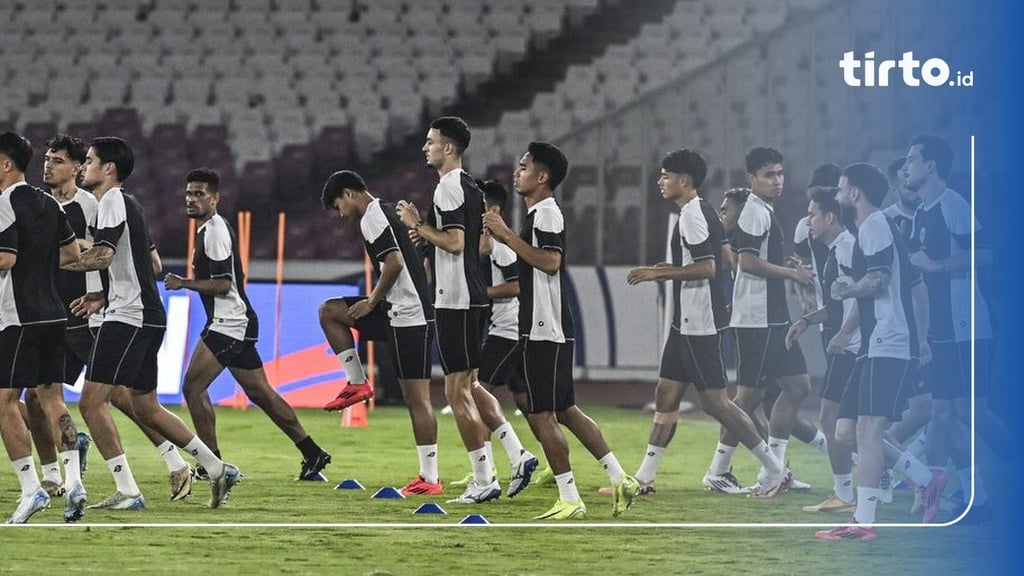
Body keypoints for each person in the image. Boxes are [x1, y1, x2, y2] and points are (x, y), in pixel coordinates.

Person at [65, 137, 240, 510]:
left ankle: (128, 490)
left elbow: (102, 256)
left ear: (109, 168)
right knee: (145, 407)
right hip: (143, 313)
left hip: (130, 316)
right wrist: (100, 295)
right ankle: (216, 466)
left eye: (90, 161)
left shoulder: (112, 200)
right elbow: (143, 263)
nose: (84, 167)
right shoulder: (121, 204)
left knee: (92, 401)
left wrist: (54, 261)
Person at [483, 141, 639, 520]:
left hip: (543, 328)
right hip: (545, 326)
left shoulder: (547, 214)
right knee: (566, 411)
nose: (517, 172)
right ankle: (621, 478)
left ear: (542, 176)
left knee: (541, 415)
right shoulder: (537, 214)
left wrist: (505, 236)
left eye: (524, 166)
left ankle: (570, 497)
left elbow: (550, 263)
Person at [622, 149, 784, 496]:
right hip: (686, 323)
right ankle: (644, 479)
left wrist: (660, 273)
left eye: (666, 175)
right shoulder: (701, 210)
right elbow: (722, 257)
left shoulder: (693, 215)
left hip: (700, 323)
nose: (660, 181)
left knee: (717, 404)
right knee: (666, 394)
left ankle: (774, 468)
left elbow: (709, 267)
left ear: (684, 181)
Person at [164, 168, 331, 482]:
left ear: (215, 198)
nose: (191, 199)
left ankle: (212, 465)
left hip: (230, 321)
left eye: (199, 194)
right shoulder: (210, 228)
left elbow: (224, 284)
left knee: (192, 387)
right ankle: (312, 452)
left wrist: (184, 282)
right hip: (234, 320)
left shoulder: (213, 231)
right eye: (189, 193)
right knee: (262, 394)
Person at [815, 163, 933, 540]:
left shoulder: (874, 225)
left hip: (887, 340)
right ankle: (926, 478)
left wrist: (847, 289)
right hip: (877, 341)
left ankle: (863, 521)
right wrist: (923, 339)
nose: (835, 196)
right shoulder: (877, 226)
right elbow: (915, 286)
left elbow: (880, 280)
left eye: (839, 189)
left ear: (854, 193)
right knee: (846, 430)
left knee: (867, 429)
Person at [395, 117, 503, 504]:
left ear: (449, 149)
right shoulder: (470, 186)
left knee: (457, 393)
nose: (426, 147)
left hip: (455, 300)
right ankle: (501, 465)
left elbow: (455, 243)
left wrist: (418, 225)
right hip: (471, 296)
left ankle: (484, 479)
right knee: (468, 388)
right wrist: (425, 232)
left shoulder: (448, 187)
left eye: (431, 142)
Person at [318, 170, 442, 496]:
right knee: (330, 311)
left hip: (408, 317)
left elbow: (395, 262)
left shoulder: (372, 217)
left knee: (418, 399)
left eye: (338, 206)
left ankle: (429, 479)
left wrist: (372, 301)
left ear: (349, 193)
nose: (341, 215)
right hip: (399, 311)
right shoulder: (385, 211)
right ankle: (356, 383)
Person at [704, 147, 814, 496]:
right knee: (747, 398)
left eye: (780, 173)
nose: (777, 180)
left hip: (773, 318)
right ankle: (718, 471)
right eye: (769, 174)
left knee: (798, 387)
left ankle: (776, 471)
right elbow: (747, 262)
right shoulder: (753, 211)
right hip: (757, 319)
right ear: (751, 178)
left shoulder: (763, 210)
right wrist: (792, 274)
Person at [905, 134, 1000, 523]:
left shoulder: (953, 204)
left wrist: (937, 266)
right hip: (941, 330)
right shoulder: (922, 211)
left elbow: (986, 254)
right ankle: (974, 497)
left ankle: (995, 480)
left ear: (931, 165)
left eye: (912, 159)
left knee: (965, 411)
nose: (907, 166)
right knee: (943, 412)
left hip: (966, 327)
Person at [0, 131, 83, 523]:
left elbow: (5, 259)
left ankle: (32, 489)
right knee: (52, 399)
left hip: (19, 317)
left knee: (2, 403)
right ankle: (75, 482)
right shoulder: (49, 201)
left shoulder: (4, 201)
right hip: (54, 313)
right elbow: (71, 254)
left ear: (6, 164)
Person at [450, 179, 539, 497]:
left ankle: (491, 469)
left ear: (494, 210)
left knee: (477, 392)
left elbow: (517, 286)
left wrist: (481, 293)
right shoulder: (490, 245)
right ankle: (551, 463)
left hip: (509, 331)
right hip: (507, 329)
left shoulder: (504, 247)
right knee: (528, 401)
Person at [787, 186, 860, 513]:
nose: (808, 220)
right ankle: (846, 493)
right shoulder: (836, 250)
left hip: (854, 349)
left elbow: (862, 299)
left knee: (841, 421)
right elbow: (835, 304)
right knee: (850, 424)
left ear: (830, 217)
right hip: (851, 347)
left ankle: (846, 494)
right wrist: (805, 321)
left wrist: (844, 334)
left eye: (813, 214)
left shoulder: (846, 249)